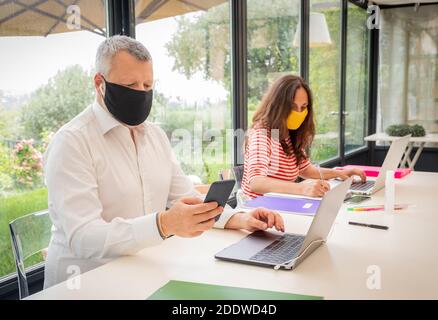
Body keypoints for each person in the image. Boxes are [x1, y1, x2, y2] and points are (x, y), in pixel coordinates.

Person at [43, 35, 284, 288]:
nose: (141, 93)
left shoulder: (154, 135)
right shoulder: (72, 142)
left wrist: (241, 219)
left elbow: (186, 196)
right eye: (131, 85)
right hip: (84, 285)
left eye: (147, 85)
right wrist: (164, 224)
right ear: (99, 83)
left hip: (146, 272)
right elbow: (84, 237)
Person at [241, 75, 366, 199]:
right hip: (257, 212)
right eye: (292, 107)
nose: (299, 112)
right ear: (278, 106)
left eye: (304, 107)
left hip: (281, 207)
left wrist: (338, 173)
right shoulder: (262, 134)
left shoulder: (289, 133)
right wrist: (302, 188)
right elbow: (256, 182)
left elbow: (305, 170)